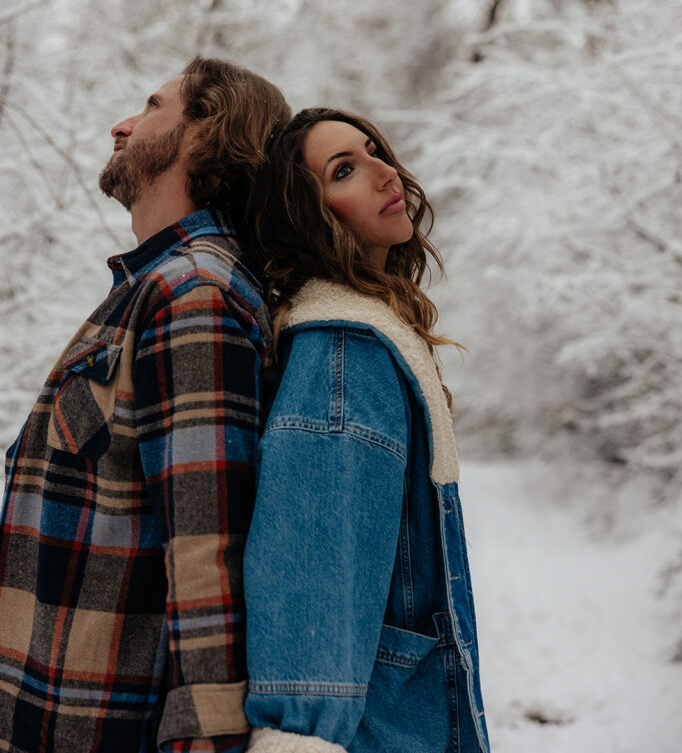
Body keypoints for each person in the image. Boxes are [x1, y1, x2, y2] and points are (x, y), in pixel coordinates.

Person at [0, 56, 291, 753]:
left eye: (153, 106)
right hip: (48, 715)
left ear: (206, 132)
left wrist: (206, 735)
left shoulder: (193, 296)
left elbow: (206, 543)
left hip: (97, 729)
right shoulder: (156, 288)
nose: (122, 124)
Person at [242, 109, 489, 753]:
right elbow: (313, 585)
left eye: (374, 149)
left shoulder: (372, 334)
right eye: (344, 170)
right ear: (306, 215)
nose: (385, 172)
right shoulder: (344, 357)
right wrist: (302, 736)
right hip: (376, 731)